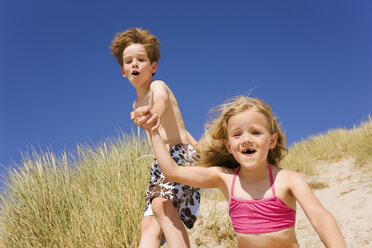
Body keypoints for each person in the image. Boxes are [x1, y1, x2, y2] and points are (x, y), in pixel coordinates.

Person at [132, 96, 346, 248]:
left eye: (255, 132)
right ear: (228, 145)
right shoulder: (224, 178)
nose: (246, 139)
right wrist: (153, 132)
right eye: (237, 134)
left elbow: (320, 217)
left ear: (271, 141)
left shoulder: (287, 179)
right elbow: (172, 172)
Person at [110, 27, 200, 248]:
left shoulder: (158, 87)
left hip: (181, 157)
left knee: (163, 206)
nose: (134, 64)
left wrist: (152, 115)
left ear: (153, 67)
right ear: (123, 71)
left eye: (140, 59)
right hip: (159, 165)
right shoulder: (135, 105)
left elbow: (161, 103)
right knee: (149, 224)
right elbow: (180, 129)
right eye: (128, 61)